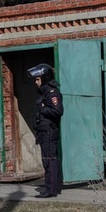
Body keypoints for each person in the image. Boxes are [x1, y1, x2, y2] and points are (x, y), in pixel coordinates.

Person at [27, 63, 63, 198]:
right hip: (44, 132)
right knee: (50, 159)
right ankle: (54, 187)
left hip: (48, 131)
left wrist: (43, 109)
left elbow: (58, 111)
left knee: (49, 160)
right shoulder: (45, 93)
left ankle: (50, 189)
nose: (36, 82)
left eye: (37, 79)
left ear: (44, 78)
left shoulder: (52, 93)